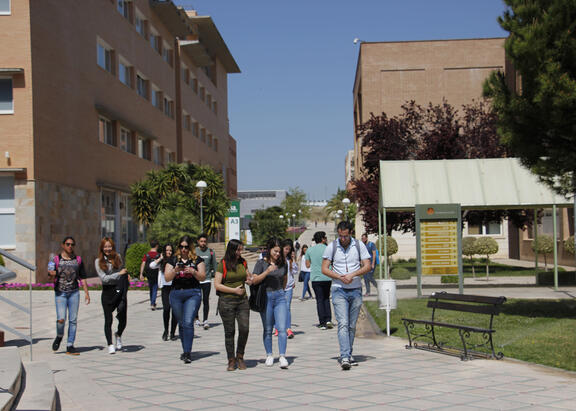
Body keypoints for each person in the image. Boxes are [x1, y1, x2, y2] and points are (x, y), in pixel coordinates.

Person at [322, 221, 371, 370]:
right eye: (340, 236)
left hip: (355, 289)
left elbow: (367, 265)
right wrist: (338, 276)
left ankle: (349, 354)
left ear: (350, 233)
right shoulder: (332, 246)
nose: (342, 239)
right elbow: (324, 268)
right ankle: (344, 356)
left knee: (351, 325)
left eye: (345, 236)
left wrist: (353, 275)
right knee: (343, 323)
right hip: (339, 290)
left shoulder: (358, 245)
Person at [164, 235, 206, 364]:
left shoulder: (197, 260)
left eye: (186, 247)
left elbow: (203, 277)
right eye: (181, 247)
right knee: (181, 323)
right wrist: (175, 270)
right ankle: (184, 349)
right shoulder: (172, 260)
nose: (184, 249)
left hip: (192, 293)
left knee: (188, 322)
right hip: (176, 293)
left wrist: (193, 272)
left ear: (190, 247)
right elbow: (167, 278)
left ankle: (188, 352)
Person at [47, 236, 90, 355]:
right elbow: (50, 276)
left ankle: (70, 344)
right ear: (63, 245)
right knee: (61, 319)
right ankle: (59, 335)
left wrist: (86, 293)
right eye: (68, 244)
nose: (70, 246)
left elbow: (83, 277)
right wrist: (51, 274)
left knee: (73, 320)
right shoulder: (56, 259)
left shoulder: (78, 259)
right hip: (60, 293)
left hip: (74, 293)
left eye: (72, 244)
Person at [252, 237, 289, 369]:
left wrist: (282, 292)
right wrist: (267, 271)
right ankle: (269, 355)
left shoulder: (284, 263)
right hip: (266, 297)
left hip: (279, 297)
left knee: (282, 328)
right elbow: (254, 280)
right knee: (268, 329)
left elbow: (285, 279)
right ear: (269, 249)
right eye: (275, 251)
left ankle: (283, 356)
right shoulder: (261, 263)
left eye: (279, 251)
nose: (278, 254)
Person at [214, 239, 250, 371]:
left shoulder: (243, 262)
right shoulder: (222, 264)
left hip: (242, 301)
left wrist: (250, 280)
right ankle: (231, 359)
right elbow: (217, 285)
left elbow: (247, 276)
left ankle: (240, 356)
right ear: (231, 250)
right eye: (238, 250)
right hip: (226, 301)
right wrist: (234, 290)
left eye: (241, 249)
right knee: (230, 332)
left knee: (244, 329)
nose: (240, 252)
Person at [95, 237, 129, 354]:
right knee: (108, 319)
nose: (108, 249)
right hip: (107, 292)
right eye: (105, 247)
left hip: (119, 290)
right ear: (102, 248)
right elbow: (104, 279)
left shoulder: (117, 257)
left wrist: (124, 275)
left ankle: (118, 334)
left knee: (123, 319)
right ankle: (110, 343)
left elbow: (123, 272)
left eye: (109, 246)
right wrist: (118, 274)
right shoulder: (98, 261)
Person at [150, 244, 178, 341]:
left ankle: (173, 332)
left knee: (175, 310)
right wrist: (160, 258)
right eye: (167, 250)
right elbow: (151, 265)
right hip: (165, 288)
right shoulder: (162, 261)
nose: (169, 252)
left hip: (174, 287)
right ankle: (166, 330)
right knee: (166, 309)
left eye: (170, 250)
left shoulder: (175, 260)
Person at [305, 231, 333, 330]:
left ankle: (322, 323)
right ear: (323, 239)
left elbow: (307, 265)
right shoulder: (328, 249)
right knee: (326, 298)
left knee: (319, 300)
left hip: (316, 278)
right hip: (327, 277)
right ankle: (329, 319)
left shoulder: (309, 250)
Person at [275, 240, 297, 339]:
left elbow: (295, 271)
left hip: (288, 287)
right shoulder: (277, 258)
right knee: (278, 308)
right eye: (286, 249)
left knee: (287, 307)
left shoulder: (290, 260)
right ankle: (277, 327)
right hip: (278, 287)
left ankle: (288, 328)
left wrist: (294, 260)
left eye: (289, 249)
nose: (287, 251)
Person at [195, 234, 217, 330]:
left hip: (207, 279)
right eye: (201, 241)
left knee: (206, 300)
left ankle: (205, 320)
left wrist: (217, 277)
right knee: (196, 300)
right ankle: (196, 318)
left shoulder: (211, 252)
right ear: (198, 241)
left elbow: (214, 265)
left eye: (204, 241)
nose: (203, 243)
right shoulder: (194, 251)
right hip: (196, 280)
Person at [139, 239, 160, 310]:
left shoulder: (147, 255)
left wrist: (141, 274)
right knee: (155, 288)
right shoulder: (158, 255)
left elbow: (143, 264)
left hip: (149, 273)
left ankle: (152, 301)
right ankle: (152, 303)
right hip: (156, 273)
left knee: (151, 288)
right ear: (157, 246)